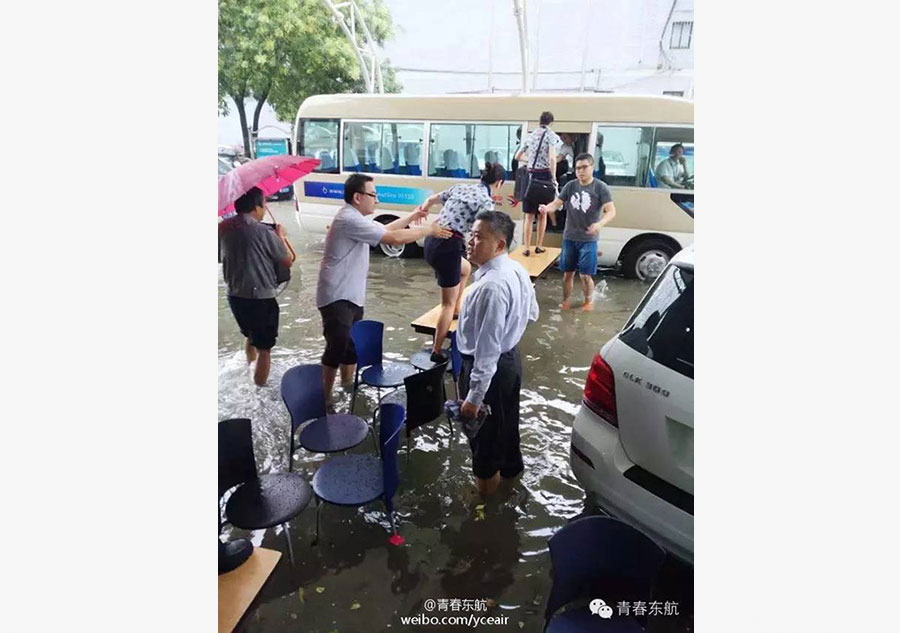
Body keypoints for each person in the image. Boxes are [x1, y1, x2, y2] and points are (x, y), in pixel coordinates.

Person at [316, 173, 452, 406]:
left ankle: (348, 390)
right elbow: (393, 238)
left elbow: (383, 229)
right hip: (337, 296)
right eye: (373, 195)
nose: (376, 200)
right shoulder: (348, 219)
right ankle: (325, 398)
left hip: (351, 295)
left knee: (350, 348)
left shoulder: (356, 218)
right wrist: (428, 230)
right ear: (358, 197)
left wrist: (412, 216)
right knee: (336, 348)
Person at [456, 211, 539, 496]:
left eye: (479, 237)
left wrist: (473, 398)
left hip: (488, 370)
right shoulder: (515, 269)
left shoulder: (491, 286)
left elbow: (487, 351)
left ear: (500, 245)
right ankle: (510, 483)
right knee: (507, 428)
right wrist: (510, 333)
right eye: (471, 234)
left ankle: (486, 509)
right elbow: (532, 313)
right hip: (509, 362)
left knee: (485, 443)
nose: (470, 241)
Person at [417, 162, 506, 362]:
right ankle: (437, 351)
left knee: (465, 269)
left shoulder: (461, 187)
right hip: (447, 246)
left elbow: (431, 199)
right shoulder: (486, 202)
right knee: (445, 304)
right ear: (499, 183)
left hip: (431, 240)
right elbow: (484, 233)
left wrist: (423, 210)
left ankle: (457, 309)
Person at [219, 186, 296, 386]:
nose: (265, 208)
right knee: (265, 348)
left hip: (234, 295)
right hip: (260, 298)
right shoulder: (262, 231)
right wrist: (280, 235)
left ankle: (249, 368)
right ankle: (260, 389)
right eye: (264, 203)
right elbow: (287, 261)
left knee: (250, 335)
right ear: (256, 206)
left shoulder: (223, 227)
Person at [539, 153, 616, 311]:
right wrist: (546, 208)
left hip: (589, 239)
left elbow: (611, 211)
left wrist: (599, 224)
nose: (580, 171)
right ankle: (566, 301)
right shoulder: (570, 186)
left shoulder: (600, 187)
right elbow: (557, 203)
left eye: (584, 167)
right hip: (569, 237)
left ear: (592, 168)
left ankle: (588, 301)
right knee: (567, 273)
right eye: (577, 168)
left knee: (585, 275)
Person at [514, 111, 562, 256]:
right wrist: (553, 178)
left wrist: (532, 161)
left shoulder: (531, 135)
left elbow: (518, 156)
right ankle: (539, 246)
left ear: (539, 121)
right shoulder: (551, 136)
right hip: (544, 177)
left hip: (530, 177)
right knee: (542, 214)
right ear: (551, 122)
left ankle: (527, 247)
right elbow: (552, 159)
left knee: (529, 216)